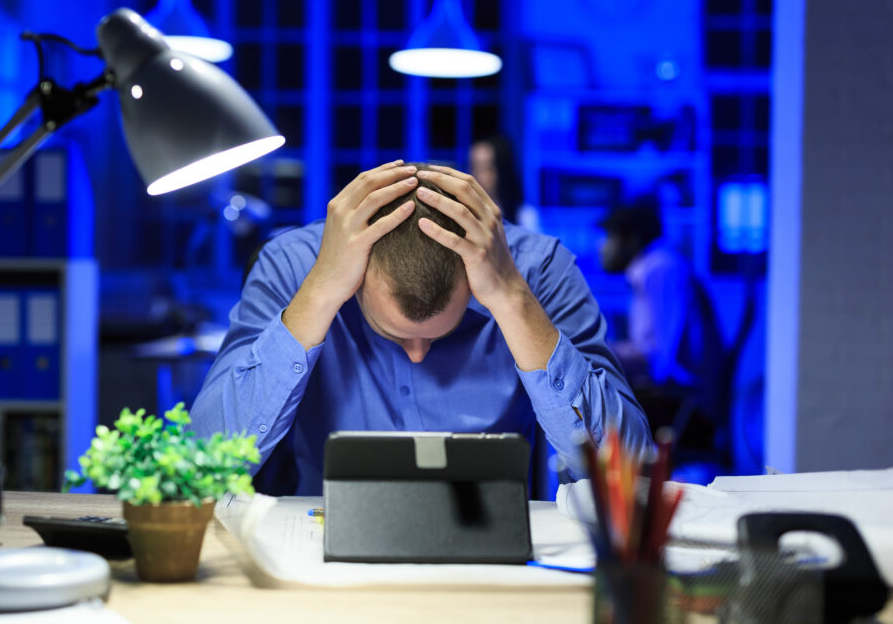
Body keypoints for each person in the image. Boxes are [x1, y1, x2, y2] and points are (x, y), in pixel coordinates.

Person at [191, 160, 652, 495]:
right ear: (355, 281)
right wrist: (319, 293)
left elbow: (630, 470)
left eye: (444, 333)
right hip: (321, 543)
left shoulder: (537, 271)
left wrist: (512, 300)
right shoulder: (295, 267)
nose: (417, 355)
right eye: (392, 333)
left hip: (500, 551)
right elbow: (202, 466)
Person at [598, 202, 725, 445]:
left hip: (686, 409)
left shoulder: (659, 267)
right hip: (682, 401)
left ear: (632, 240)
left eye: (609, 238)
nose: (602, 248)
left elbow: (659, 360)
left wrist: (598, 351)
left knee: (590, 405)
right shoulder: (657, 266)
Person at [468, 134, 538, 230]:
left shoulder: (524, 215)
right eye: (474, 167)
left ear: (502, 169)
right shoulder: (467, 211)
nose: (477, 175)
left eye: (486, 168)